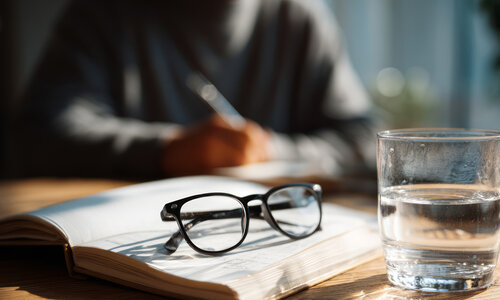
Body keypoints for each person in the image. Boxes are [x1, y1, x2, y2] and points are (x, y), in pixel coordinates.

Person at [12, 0, 376, 179]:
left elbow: (363, 142)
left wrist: (269, 150)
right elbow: (37, 136)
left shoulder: (300, 19)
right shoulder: (103, 13)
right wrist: (166, 151)